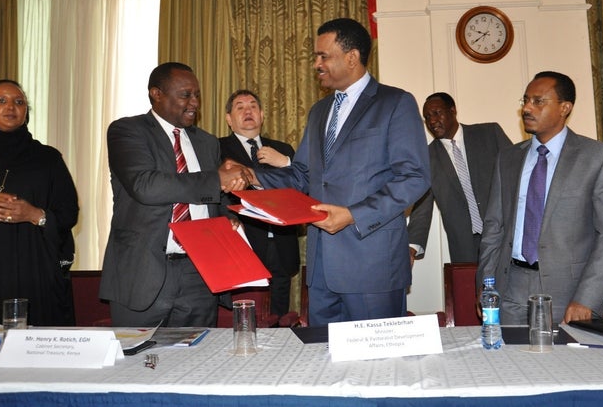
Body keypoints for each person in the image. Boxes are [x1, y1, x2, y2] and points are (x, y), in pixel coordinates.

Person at [246, 18, 430, 326]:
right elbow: (303, 175)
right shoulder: (320, 112)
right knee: (324, 363)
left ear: (352, 57)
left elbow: (415, 177)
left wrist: (354, 214)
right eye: (315, 57)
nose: (316, 64)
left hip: (372, 264)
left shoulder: (395, 103)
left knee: (378, 369)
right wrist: (254, 177)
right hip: (321, 269)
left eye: (323, 56)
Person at [99, 62, 248, 328]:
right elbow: (146, 185)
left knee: (198, 363)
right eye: (185, 95)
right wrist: (216, 179)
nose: (194, 103)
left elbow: (213, 198)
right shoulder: (127, 131)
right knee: (137, 364)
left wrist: (229, 214)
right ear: (156, 94)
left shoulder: (207, 142)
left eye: (197, 95)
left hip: (199, 274)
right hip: (143, 273)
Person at [476, 71, 603, 325]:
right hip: (510, 290)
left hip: (569, 296)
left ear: (564, 108)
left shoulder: (598, 158)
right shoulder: (508, 159)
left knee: (568, 367)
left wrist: (587, 299)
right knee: (509, 365)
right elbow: (494, 227)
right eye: (525, 100)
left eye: (538, 101)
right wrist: (486, 284)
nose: (526, 108)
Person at [0, 79, 79, 326]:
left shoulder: (48, 159)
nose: (11, 107)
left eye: (19, 102)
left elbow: (69, 213)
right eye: (1, 101)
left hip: (34, 268)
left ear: (26, 112)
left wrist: (34, 214)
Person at [220, 89, 300, 317]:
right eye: (240, 106)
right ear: (229, 119)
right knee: (246, 315)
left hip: (282, 245)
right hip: (243, 241)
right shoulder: (216, 148)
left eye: (253, 106)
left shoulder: (283, 150)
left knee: (279, 316)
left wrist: (285, 163)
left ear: (262, 115)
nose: (248, 111)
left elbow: (301, 188)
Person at [408, 92, 511, 264]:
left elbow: (516, 176)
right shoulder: (426, 157)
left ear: (453, 110)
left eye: (436, 113)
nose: (432, 121)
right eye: (427, 118)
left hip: (503, 234)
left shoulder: (489, 134)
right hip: (464, 247)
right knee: (468, 291)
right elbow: (422, 208)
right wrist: (411, 249)